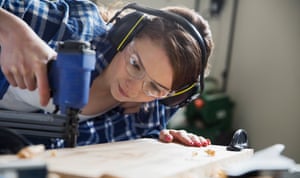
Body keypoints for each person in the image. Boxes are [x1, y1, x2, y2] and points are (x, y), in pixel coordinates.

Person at [0, 0, 214, 148]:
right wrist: (13, 30)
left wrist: (165, 143)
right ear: (125, 34)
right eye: (135, 65)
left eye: (154, 87)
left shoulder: (146, 116)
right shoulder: (68, 26)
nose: (133, 88)